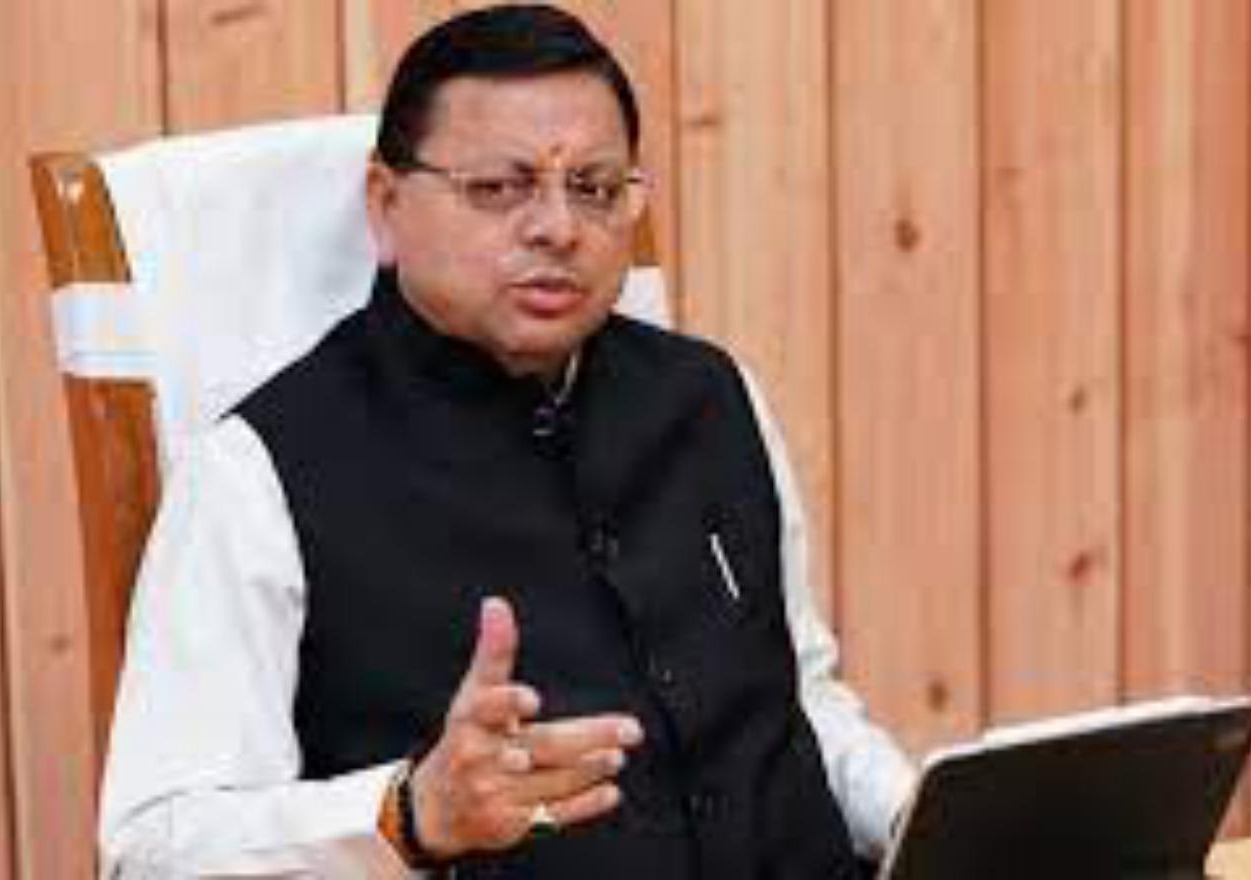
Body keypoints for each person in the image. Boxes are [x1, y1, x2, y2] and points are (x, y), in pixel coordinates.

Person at [99, 4, 913, 877]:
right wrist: (409, 816)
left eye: (594, 187)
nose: (558, 227)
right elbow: (151, 850)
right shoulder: (256, 473)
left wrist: (924, 813)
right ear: (385, 206)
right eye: (499, 187)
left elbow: (799, 701)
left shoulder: (713, 396)